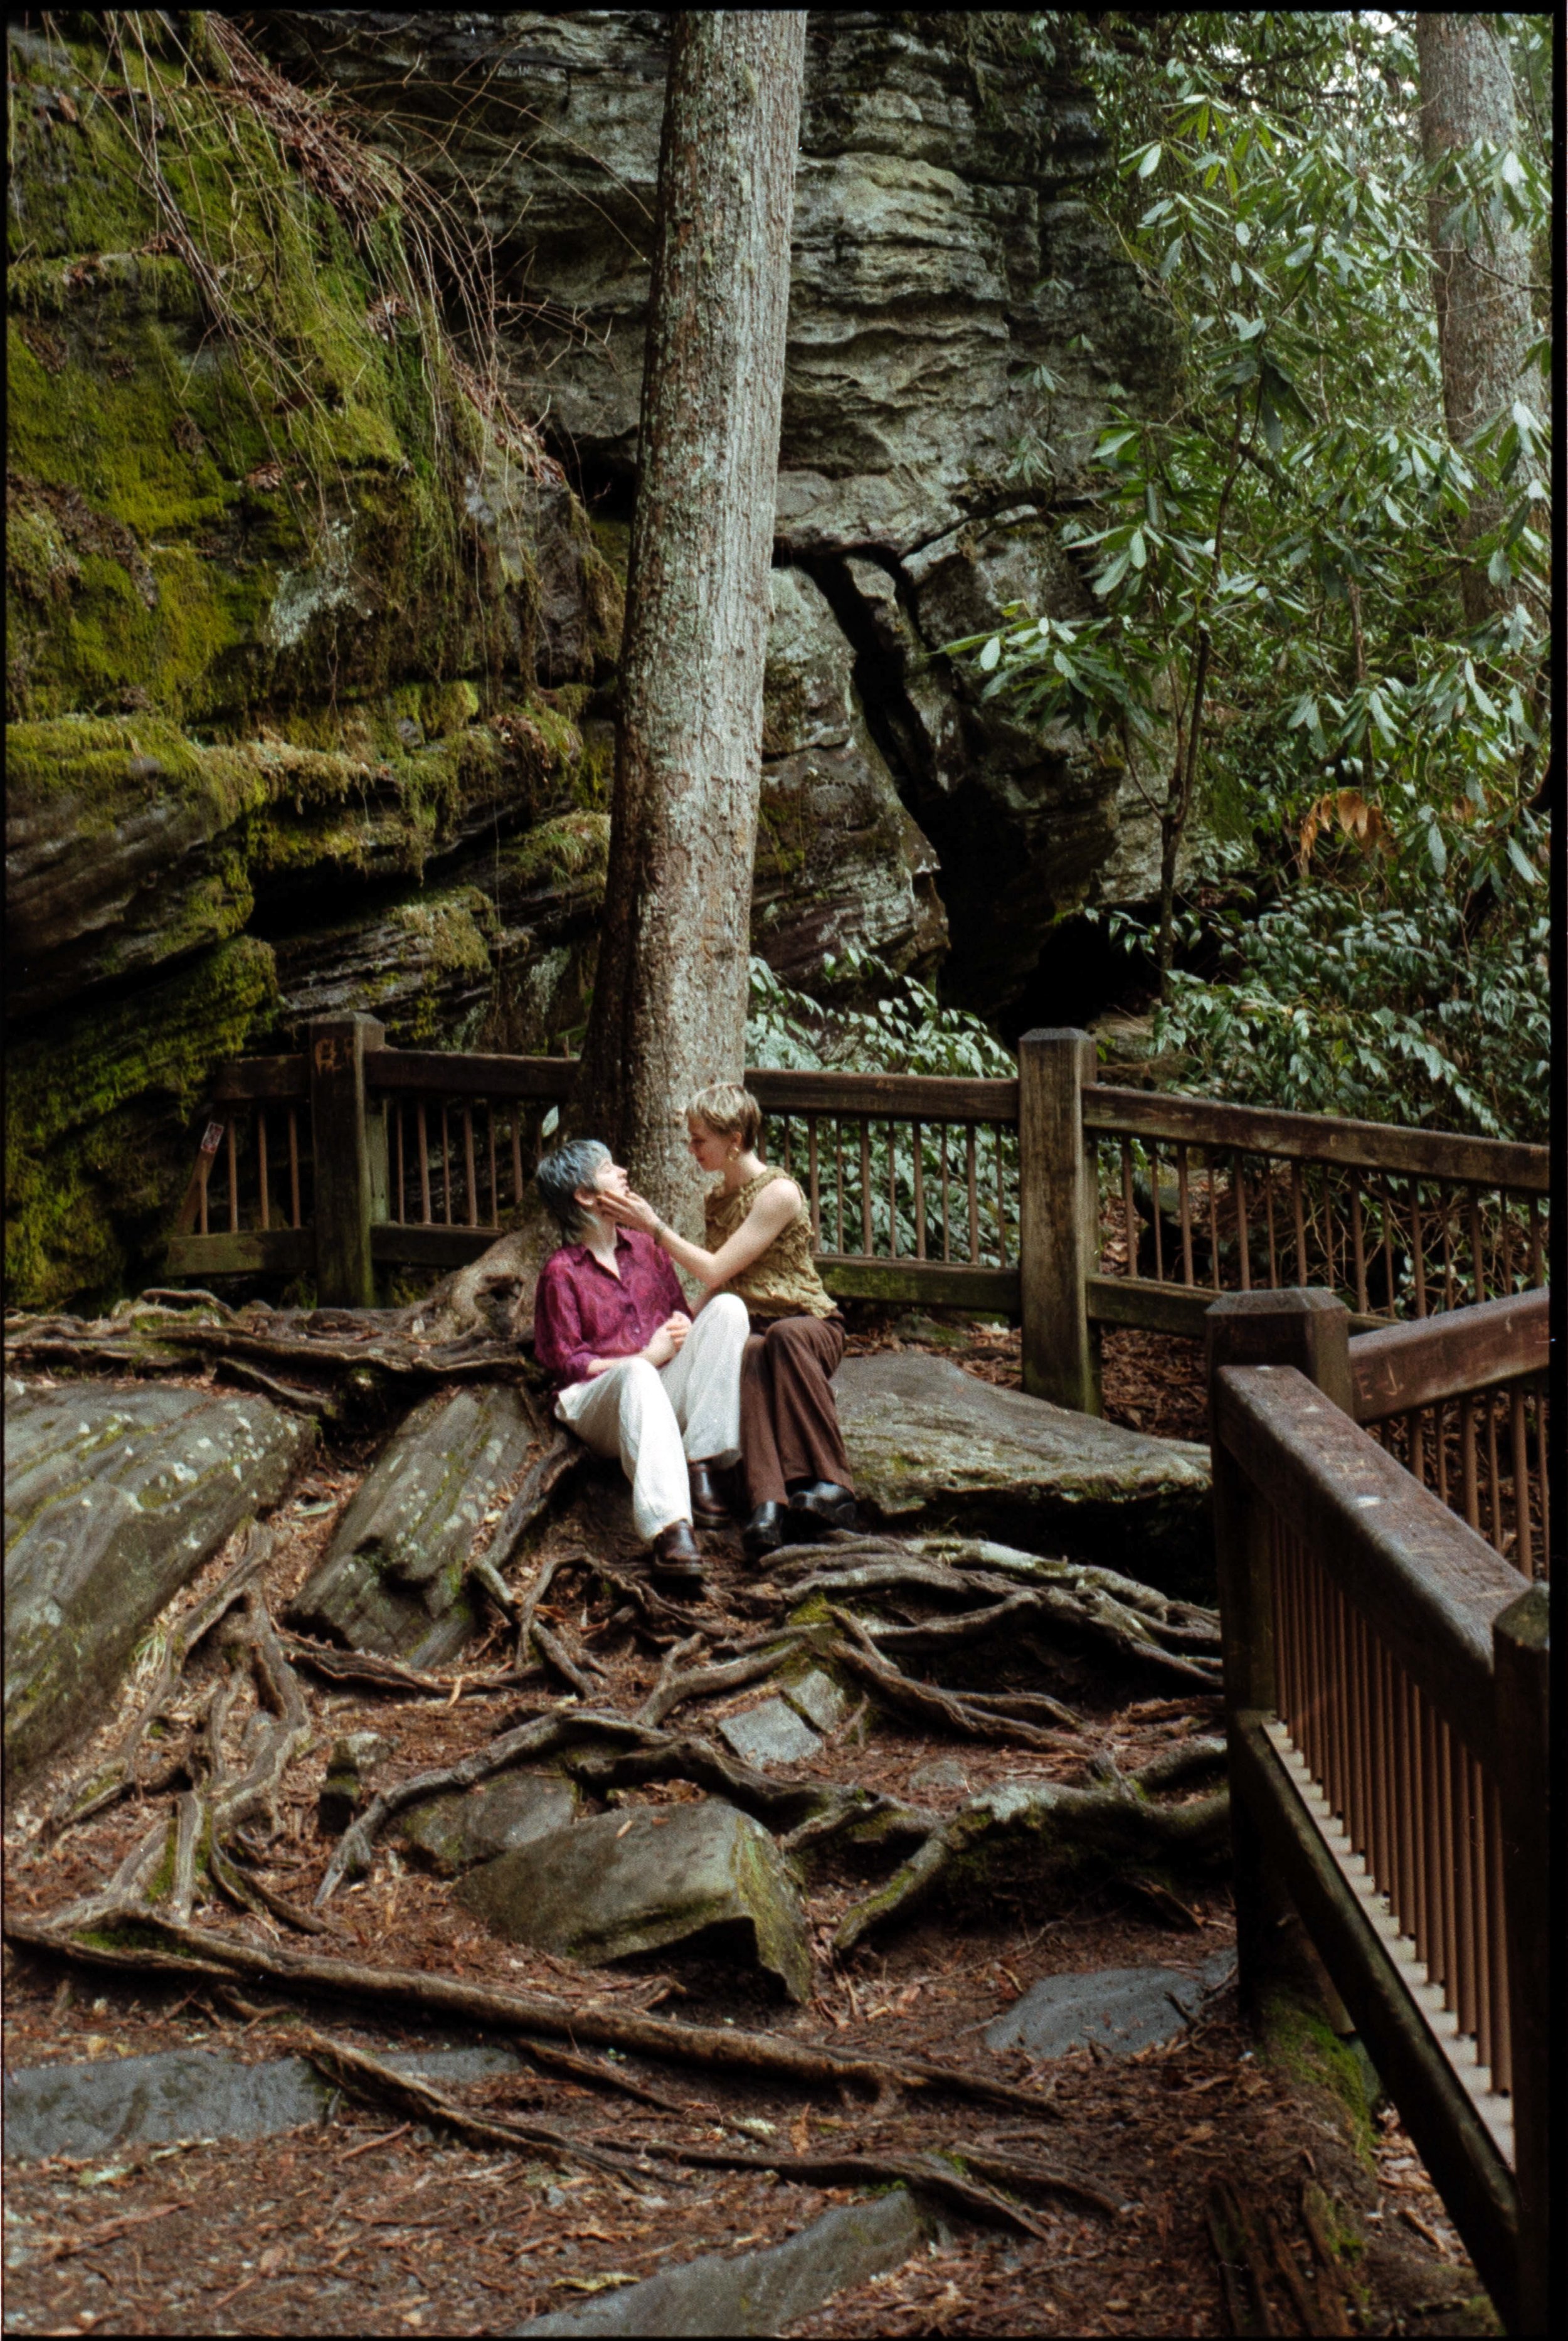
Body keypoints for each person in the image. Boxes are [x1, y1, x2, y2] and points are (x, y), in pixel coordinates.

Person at [596, 1082, 856, 1560]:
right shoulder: (718, 1200)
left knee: (781, 1337)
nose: (692, 1149)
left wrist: (653, 1227)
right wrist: (686, 1326)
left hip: (809, 1324)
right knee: (752, 1350)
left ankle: (834, 1484)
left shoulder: (778, 1194)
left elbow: (714, 1267)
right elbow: (723, 1282)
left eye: (699, 1140)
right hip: (757, 1329)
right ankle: (768, 1504)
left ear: (734, 1140)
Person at [532, 1137, 749, 1583]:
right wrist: (645, 1356)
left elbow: (678, 1316)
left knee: (728, 1309)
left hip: (657, 1387)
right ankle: (670, 1529)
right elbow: (568, 1366)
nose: (624, 1172)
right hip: (599, 1402)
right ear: (586, 1196)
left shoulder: (646, 1249)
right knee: (636, 1371)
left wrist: (684, 1332)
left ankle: (703, 1464)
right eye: (611, 1168)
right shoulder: (562, 1271)